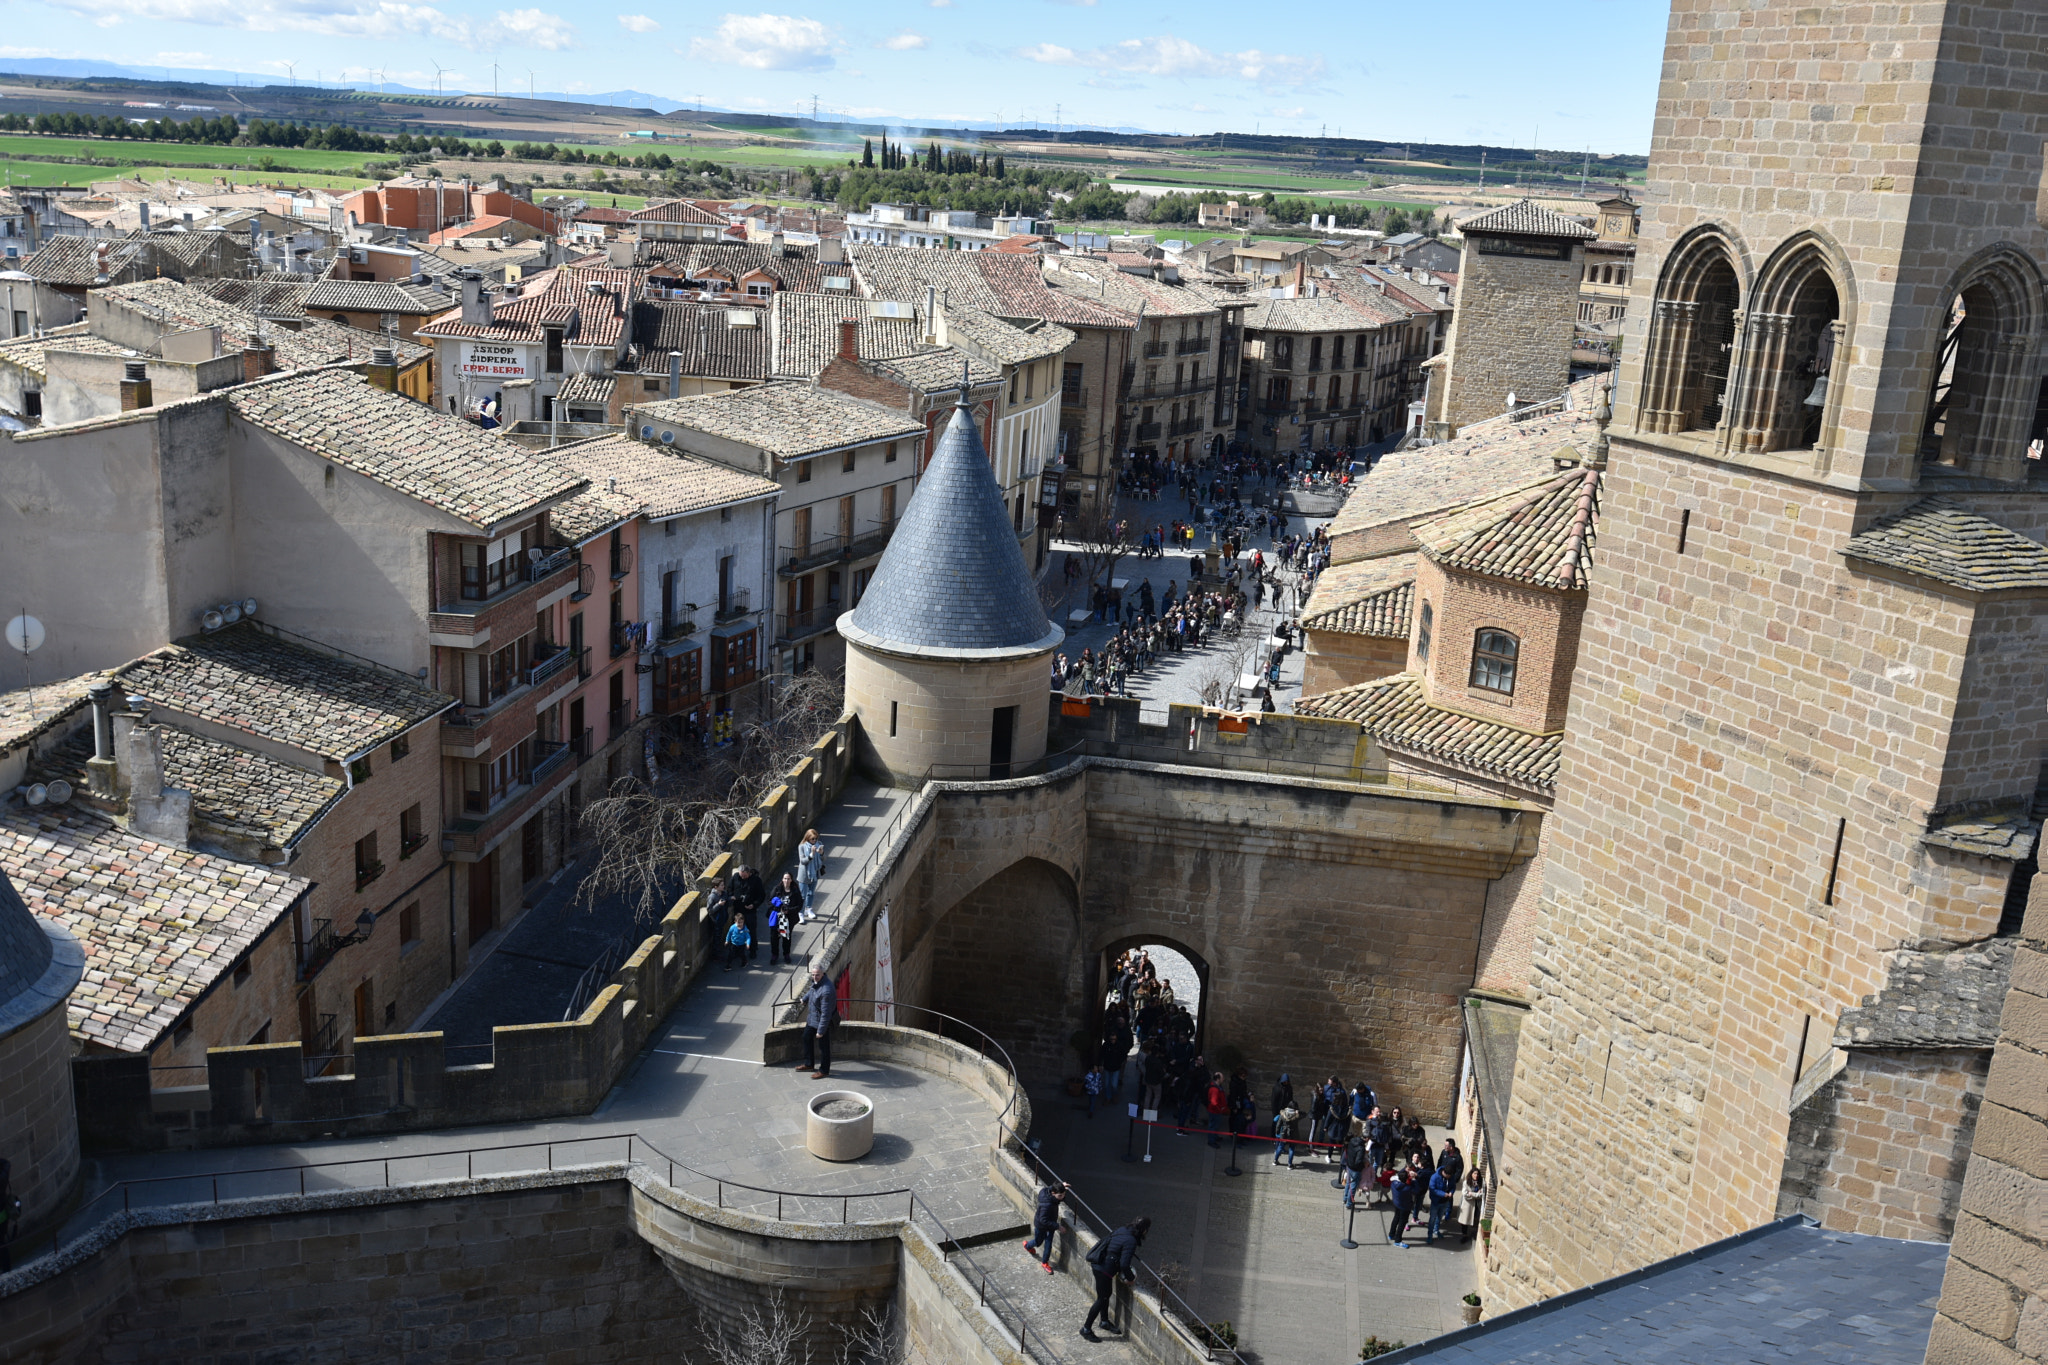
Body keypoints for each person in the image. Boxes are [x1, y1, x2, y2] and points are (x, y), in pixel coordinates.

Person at [1081, 1217, 1150, 1342]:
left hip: (1099, 1264)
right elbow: (1124, 1264)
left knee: (1106, 1295)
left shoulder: (1122, 1230)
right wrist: (1130, 1278)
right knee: (1102, 1298)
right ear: (1143, 1230)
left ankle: (1104, 1321)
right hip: (1104, 1270)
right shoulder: (1131, 1241)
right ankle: (1086, 1329)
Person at [1022, 1181, 1069, 1273]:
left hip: (1050, 1227)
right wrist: (1058, 1226)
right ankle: (1027, 1246)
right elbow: (1043, 1220)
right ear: (1053, 1193)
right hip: (1042, 1227)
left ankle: (1044, 1263)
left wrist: (1060, 1186)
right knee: (1038, 1242)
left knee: (1048, 1246)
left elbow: (1048, 1188)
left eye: (1063, 1194)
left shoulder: (1046, 1192)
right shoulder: (1047, 1205)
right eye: (1060, 1195)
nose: (1062, 1197)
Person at [801, 966, 837, 1078]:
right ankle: (809, 1064)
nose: (814, 977)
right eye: (813, 974)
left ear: (823, 974)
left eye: (817, 975)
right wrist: (804, 999)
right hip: (813, 1019)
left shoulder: (826, 990)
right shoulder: (817, 982)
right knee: (806, 1037)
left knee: (824, 1047)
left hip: (822, 1023)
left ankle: (824, 1070)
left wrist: (821, 1031)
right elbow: (812, 990)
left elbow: (826, 1014)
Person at [729, 864, 766, 963]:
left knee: (751, 931)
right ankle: (737, 951)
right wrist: (732, 896)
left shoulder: (756, 880)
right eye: (741, 876)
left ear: (749, 873)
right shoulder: (735, 877)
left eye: (744, 876)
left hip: (750, 910)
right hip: (738, 909)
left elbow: (761, 896)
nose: (742, 878)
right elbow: (729, 889)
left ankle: (753, 950)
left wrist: (754, 905)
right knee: (737, 931)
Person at [795, 829, 825, 919]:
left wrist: (821, 853)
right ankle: (800, 912)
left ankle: (809, 909)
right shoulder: (802, 846)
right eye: (812, 839)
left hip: (814, 872)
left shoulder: (818, 844)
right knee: (802, 895)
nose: (814, 841)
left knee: (811, 893)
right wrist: (811, 855)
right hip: (804, 874)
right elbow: (803, 861)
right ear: (807, 838)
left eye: (816, 838)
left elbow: (823, 859)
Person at [1426, 1163, 1455, 1243]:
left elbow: (1453, 1186)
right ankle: (1430, 1235)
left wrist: (1451, 1192)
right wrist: (1443, 1194)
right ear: (1444, 1173)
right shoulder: (1435, 1177)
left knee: (1439, 1217)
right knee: (1432, 1218)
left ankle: (1436, 1230)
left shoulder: (1451, 1177)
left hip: (1445, 1202)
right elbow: (1432, 1189)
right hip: (1436, 1201)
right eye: (1448, 1176)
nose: (1449, 1178)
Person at [1387, 1167, 1417, 1246]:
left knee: (1396, 1218)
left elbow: (1399, 1175)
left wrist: (1405, 1170)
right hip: (1405, 1207)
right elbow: (1416, 1189)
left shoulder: (1393, 1183)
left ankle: (1391, 1234)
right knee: (1402, 1223)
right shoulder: (1407, 1188)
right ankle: (1398, 1240)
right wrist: (1414, 1179)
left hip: (1397, 1204)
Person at [765, 894, 794, 966]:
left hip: (786, 921)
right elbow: (769, 903)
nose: (786, 881)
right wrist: (777, 908)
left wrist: (788, 910)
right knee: (774, 939)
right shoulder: (777, 890)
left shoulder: (794, 891)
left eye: (788, 881)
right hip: (776, 921)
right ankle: (774, 955)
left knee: (786, 939)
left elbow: (798, 905)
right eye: (785, 881)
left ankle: (786, 954)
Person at [1460, 1168, 1486, 1244]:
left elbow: (1481, 1195)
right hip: (1467, 1205)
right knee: (1465, 1221)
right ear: (1471, 1174)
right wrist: (1476, 1194)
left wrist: (1472, 1193)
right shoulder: (1466, 1182)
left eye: (1477, 1174)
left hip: (1477, 1205)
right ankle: (1464, 1235)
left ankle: (1474, 1234)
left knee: (1475, 1219)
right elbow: (1465, 1194)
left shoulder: (1481, 1183)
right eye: (1475, 1173)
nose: (1476, 1175)